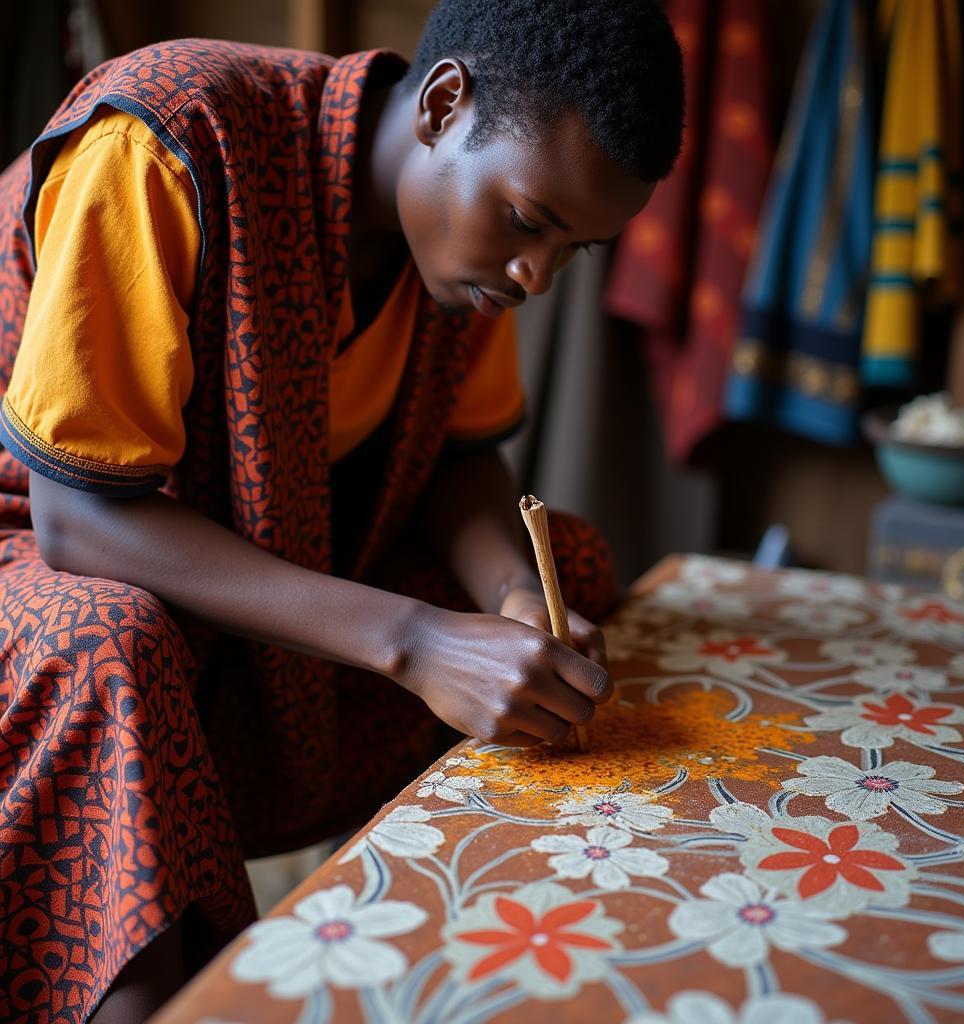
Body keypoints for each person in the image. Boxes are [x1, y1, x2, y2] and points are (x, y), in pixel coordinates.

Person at [0, 0, 685, 1020]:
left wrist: (505, 596)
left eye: (572, 252)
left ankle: (423, 938)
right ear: (444, 105)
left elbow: (457, 461)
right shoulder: (167, 138)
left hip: (252, 544)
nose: (535, 274)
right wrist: (413, 643)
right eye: (530, 222)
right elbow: (80, 523)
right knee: (111, 642)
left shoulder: (459, 257)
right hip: (43, 545)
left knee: (564, 578)